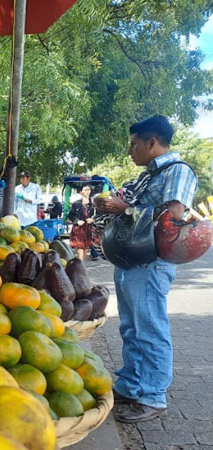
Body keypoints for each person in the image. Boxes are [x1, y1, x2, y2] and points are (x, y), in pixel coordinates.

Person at [94, 115, 197, 423]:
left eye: (134, 144)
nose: (130, 151)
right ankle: (130, 384)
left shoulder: (178, 171)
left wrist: (123, 208)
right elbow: (133, 206)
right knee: (131, 327)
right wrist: (112, 204)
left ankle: (152, 395)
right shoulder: (148, 175)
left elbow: (173, 215)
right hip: (130, 261)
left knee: (150, 328)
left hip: (151, 263)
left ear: (152, 143)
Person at [68, 185, 95, 261]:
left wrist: (92, 219)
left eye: (88, 189)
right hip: (79, 229)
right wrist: (77, 221)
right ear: (81, 192)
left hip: (88, 228)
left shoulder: (93, 204)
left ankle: (81, 265)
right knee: (80, 248)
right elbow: (71, 215)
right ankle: (81, 264)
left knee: (86, 247)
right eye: (85, 190)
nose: (87, 191)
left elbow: (99, 215)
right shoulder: (76, 204)